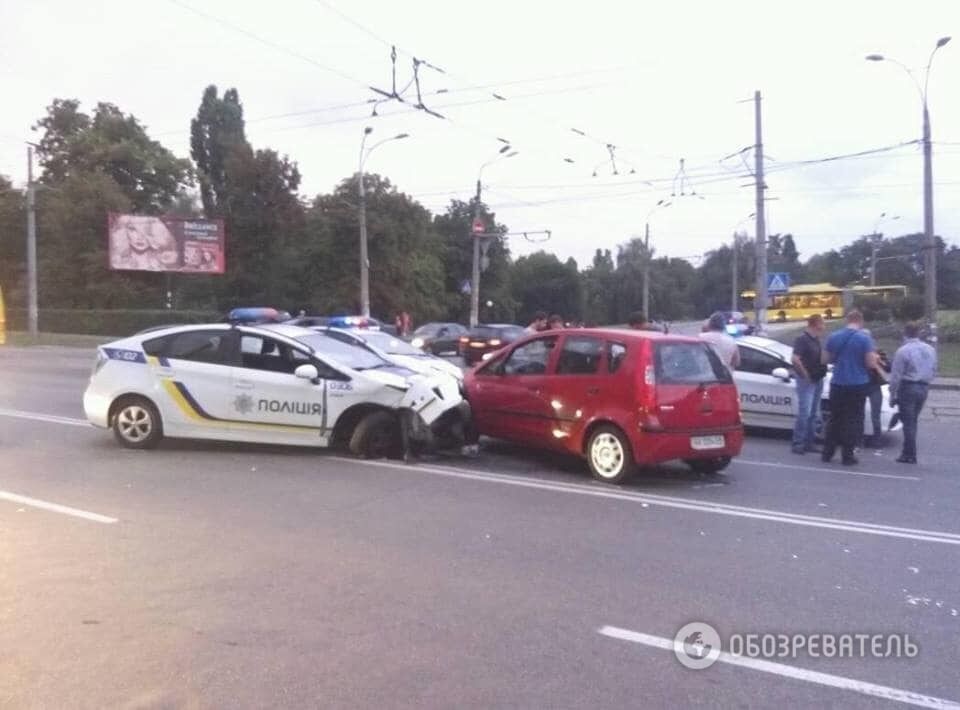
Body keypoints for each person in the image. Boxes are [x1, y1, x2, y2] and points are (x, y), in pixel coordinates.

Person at [821, 310, 878, 466]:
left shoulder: (834, 336)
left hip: (838, 383)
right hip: (857, 384)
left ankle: (827, 452)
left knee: (835, 418)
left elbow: (824, 359)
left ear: (847, 320)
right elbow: (870, 364)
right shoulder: (864, 339)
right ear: (860, 321)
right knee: (852, 420)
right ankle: (847, 456)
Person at [888, 322, 937, 464]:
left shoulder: (903, 351)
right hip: (923, 387)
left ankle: (909, 453)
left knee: (908, 422)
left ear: (905, 333)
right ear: (919, 333)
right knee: (913, 420)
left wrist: (892, 395)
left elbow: (896, 376)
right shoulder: (930, 349)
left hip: (908, 387)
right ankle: (907, 451)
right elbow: (934, 369)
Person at [789, 314, 827, 455]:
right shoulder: (802, 340)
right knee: (805, 412)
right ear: (816, 324)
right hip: (807, 381)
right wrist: (805, 375)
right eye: (822, 323)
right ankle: (798, 443)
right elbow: (795, 359)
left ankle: (809, 442)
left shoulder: (816, 339)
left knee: (814, 414)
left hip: (817, 380)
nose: (824, 326)